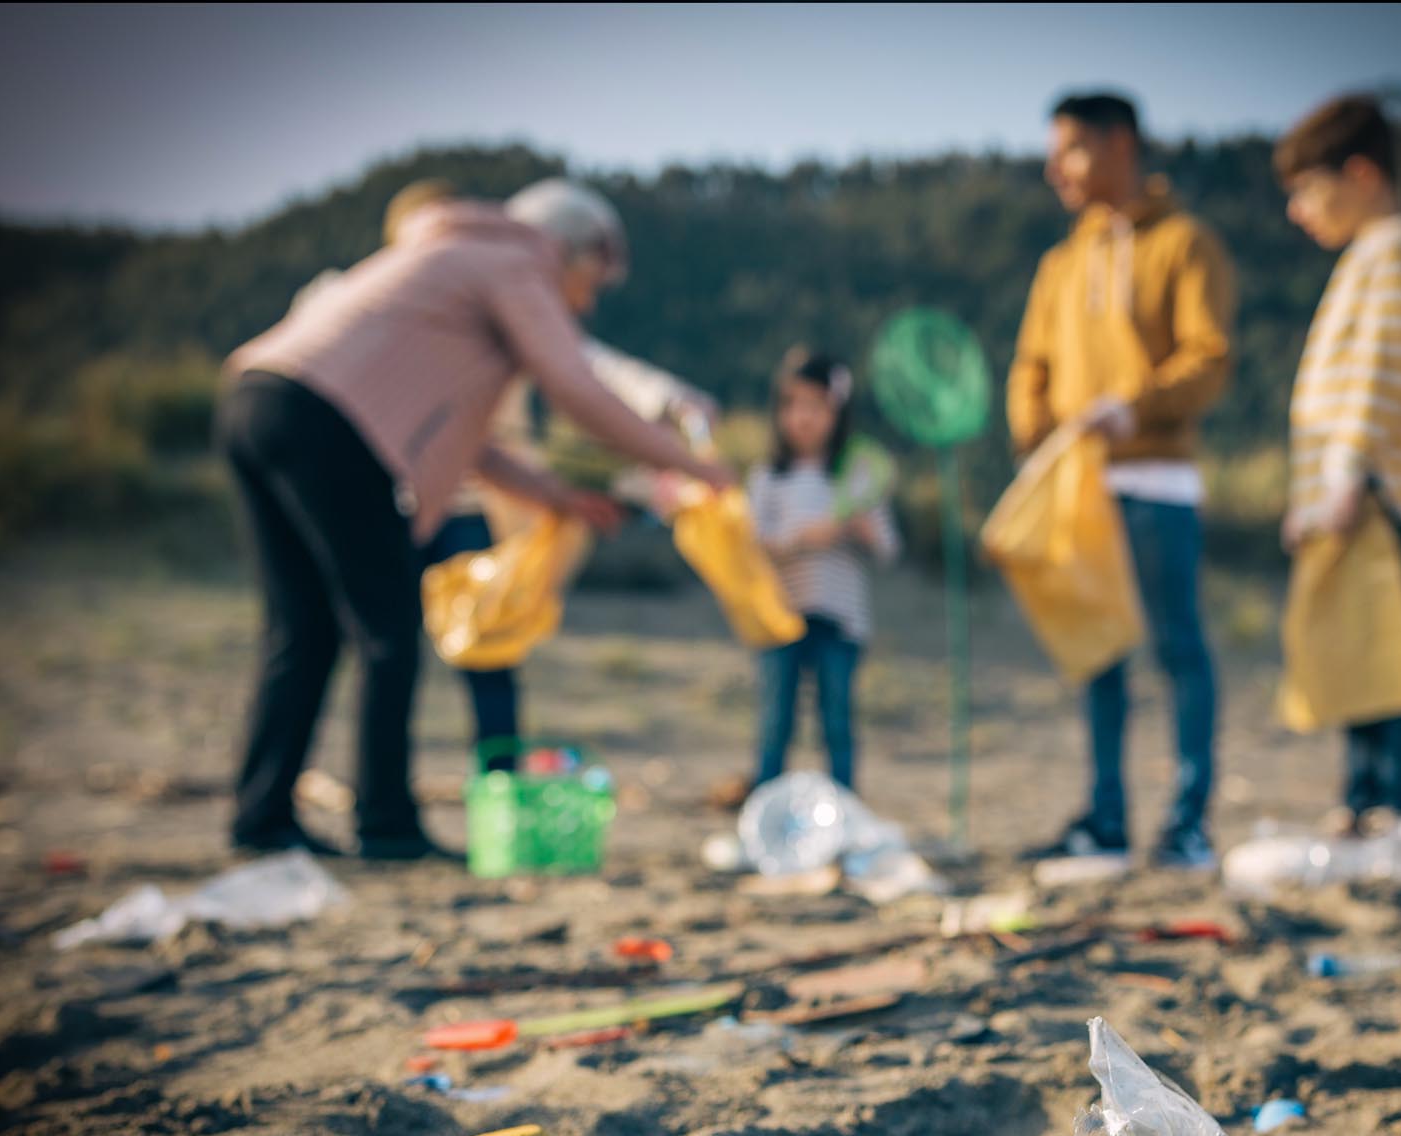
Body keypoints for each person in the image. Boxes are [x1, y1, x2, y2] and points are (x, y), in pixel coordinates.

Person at [218, 184, 734, 861]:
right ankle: (386, 824)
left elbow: (476, 447)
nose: (587, 301)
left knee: (304, 627)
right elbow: (576, 388)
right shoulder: (515, 263)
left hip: (255, 398)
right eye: (593, 281)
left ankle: (262, 817)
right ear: (574, 250)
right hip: (327, 424)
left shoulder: (454, 259)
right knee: (387, 631)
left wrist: (555, 495)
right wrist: (695, 468)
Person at [1007, 91, 1236, 871]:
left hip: (1158, 483)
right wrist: (1035, 432)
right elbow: (1032, 366)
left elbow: (1208, 357)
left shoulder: (1185, 243)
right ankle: (1105, 820)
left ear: (1121, 144)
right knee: (1098, 655)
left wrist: (1134, 407)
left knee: (1178, 648)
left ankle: (1187, 823)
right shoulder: (1060, 264)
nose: (1056, 170)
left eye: (1070, 150)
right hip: (1080, 492)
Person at [1276, 95, 1401, 837]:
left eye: (1308, 191)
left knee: (1388, 654)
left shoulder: (1398, 250)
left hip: (1376, 492)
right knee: (1354, 647)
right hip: (1345, 491)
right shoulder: (1365, 256)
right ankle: (1362, 800)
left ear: (1361, 174)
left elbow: (1380, 374)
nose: (1298, 211)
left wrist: (1348, 476)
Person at [748, 348, 901, 791]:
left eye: (815, 406)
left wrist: (859, 528)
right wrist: (802, 539)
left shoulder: (856, 477)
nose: (803, 417)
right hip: (781, 616)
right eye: (792, 405)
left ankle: (844, 806)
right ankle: (765, 803)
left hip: (842, 618)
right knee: (776, 720)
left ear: (837, 413)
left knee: (837, 720)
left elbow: (888, 549)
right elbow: (754, 548)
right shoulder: (768, 478)